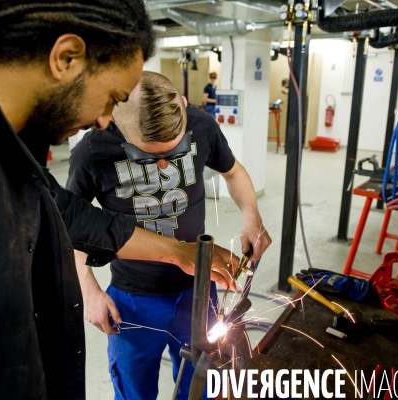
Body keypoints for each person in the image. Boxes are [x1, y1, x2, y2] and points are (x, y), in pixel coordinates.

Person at [0, 2, 238, 399]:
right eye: (113, 97)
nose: (105, 120)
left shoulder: (3, 130)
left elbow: (66, 213)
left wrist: (178, 251)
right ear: (66, 57)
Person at [67, 71, 272, 400]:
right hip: (133, 300)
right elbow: (71, 224)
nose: (163, 166)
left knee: (202, 385)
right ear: (119, 126)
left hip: (198, 292)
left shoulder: (201, 125)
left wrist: (251, 214)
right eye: (148, 155)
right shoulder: (93, 151)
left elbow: (232, 171)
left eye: (172, 152)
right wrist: (88, 288)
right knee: (134, 391)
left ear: (184, 105)